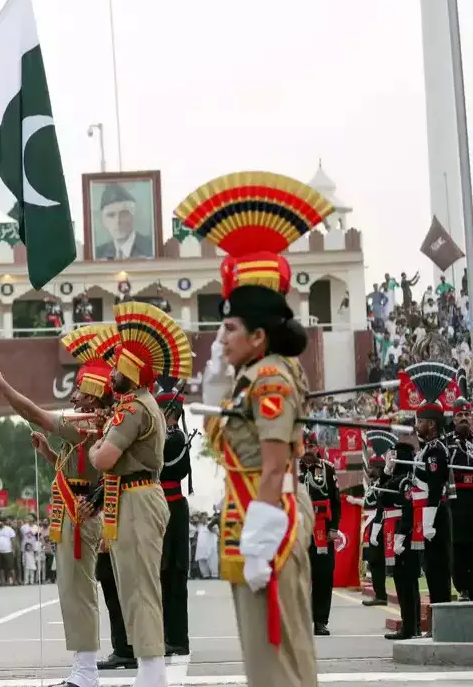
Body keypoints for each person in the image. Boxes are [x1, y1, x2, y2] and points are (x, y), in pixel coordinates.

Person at [176, 171, 331, 687]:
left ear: (259, 334)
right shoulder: (256, 374)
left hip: (269, 518)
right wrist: (220, 377)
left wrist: (261, 544)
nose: (221, 338)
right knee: (273, 659)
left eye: (230, 328)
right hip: (256, 514)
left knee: (276, 663)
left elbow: (273, 466)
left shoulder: (268, 378)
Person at [0, 323, 116, 685]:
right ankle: (83, 666)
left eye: (80, 391)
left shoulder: (88, 423)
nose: (74, 398)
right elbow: (76, 471)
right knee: (74, 591)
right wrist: (46, 453)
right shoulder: (94, 423)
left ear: (94, 396)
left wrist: (1, 385)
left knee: (79, 592)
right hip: (74, 512)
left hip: (80, 516)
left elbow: (34, 414)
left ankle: (86, 671)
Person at [86, 301, 189, 687]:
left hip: (137, 499)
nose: (110, 374)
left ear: (130, 371)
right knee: (133, 586)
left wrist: (98, 451)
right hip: (130, 498)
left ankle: (151, 674)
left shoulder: (133, 410)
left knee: (140, 588)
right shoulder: (139, 404)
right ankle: (149, 671)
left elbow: (105, 457)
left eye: (116, 367)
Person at [155, 377, 192, 656]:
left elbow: (171, 471)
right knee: (162, 574)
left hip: (173, 508)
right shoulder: (165, 436)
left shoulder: (176, 437)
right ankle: (169, 635)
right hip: (161, 506)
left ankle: (177, 638)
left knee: (174, 573)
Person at [411, 399, 453, 604]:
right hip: (430, 512)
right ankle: (438, 614)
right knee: (431, 567)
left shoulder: (436, 451)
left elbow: (435, 486)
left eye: (421, 422)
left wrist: (428, 521)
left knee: (438, 567)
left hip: (436, 514)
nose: (417, 426)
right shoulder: (427, 450)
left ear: (432, 424)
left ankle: (443, 615)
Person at [299, 432, 340, 636]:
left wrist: (333, 528)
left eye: (312, 446)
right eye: (305, 446)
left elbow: (336, 501)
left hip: (322, 529)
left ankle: (321, 621)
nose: (309, 450)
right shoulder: (291, 469)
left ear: (318, 447)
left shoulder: (328, 469)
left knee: (323, 575)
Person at [384, 441, 423, 639]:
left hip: (404, 535)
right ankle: (412, 626)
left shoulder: (406, 480)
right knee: (407, 583)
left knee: (405, 583)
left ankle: (410, 628)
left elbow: (407, 509)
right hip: (402, 534)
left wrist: (401, 536)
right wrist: (387, 471)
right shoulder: (400, 478)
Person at [447, 404, 473, 600]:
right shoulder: (446, 443)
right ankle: (462, 587)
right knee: (459, 548)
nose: (464, 418)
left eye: (467, 414)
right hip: (456, 504)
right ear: (453, 419)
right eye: (459, 415)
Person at [93, 182, 154, 260]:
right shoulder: (98, 254)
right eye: (111, 215)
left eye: (123, 214)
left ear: (133, 216)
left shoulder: (151, 248)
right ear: (104, 221)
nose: (117, 221)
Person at [360, 456, 389, 606]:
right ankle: (380, 594)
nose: (369, 470)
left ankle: (381, 595)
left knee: (377, 560)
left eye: (371, 467)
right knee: (374, 560)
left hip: (380, 523)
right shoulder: (375, 483)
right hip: (373, 523)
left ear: (378, 468)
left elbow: (375, 504)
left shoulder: (383, 483)